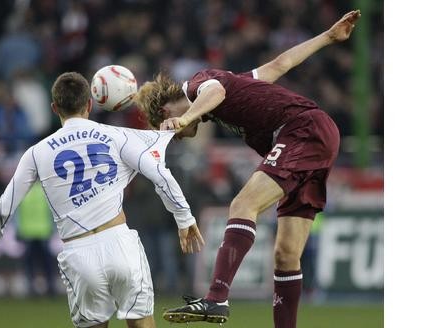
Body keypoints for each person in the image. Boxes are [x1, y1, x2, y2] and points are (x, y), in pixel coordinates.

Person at [134, 10, 361, 328]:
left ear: (164, 111)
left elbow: (215, 93)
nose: (173, 133)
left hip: (302, 130)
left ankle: (216, 299)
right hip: (313, 139)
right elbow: (279, 65)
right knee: (285, 254)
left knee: (243, 204)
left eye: (166, 126)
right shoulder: (233, 84)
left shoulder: (202, 84)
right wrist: (327, 37)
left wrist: (184, 119)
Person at [0, 72, 205, 328]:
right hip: (120, 243)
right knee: (143, 325)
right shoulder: (117, 135)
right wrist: (184, 217)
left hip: (79, 252)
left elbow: (6, 204)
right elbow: (160, 174)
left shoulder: (36, 153)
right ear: (89, 104)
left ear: (54, 108)